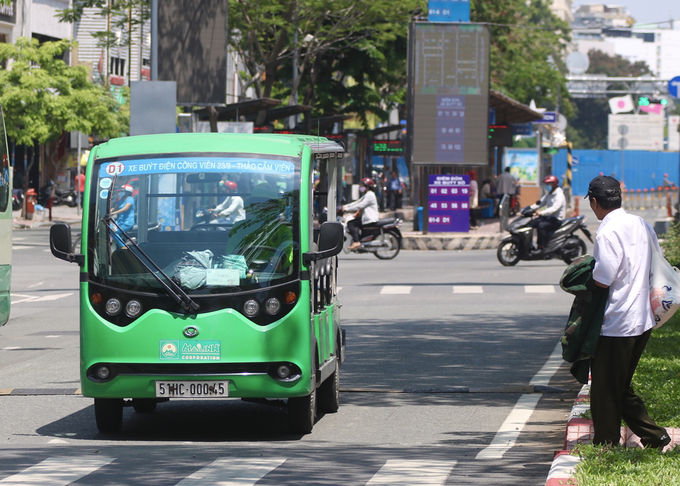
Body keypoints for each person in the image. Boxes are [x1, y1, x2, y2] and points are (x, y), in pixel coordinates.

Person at [586, 175, 671, 449]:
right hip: (643, 319)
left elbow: (604, 277)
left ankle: (606, 443)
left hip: (617, 322)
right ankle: (655, 436)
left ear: (595, 202)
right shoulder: (641, 224)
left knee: (604, 388)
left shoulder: (608, 231)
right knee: (618, 385)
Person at [529, 175, 566, 250]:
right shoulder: (549, 194)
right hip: (549, 217)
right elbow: (540, 203)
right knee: (532, 222)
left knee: (541, 226)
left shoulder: (559, 195)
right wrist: (529, 209)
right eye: (546, 185)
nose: (547, 186)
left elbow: (554, 208)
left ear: (554, 184)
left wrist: (541, 213)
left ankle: (541, 246)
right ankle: (529, 245)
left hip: (556, 219)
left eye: (549, 185)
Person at [343, 177, 379, 250]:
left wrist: (347, 210)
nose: (361, 187)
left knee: (351, 223)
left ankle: (356, 241)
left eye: (362, 185)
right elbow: (357, 202)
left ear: (367, 187)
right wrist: (346, 206)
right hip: (366, 217)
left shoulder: (370, 195)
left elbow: (360, 205)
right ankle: (358, 239)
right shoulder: (367, 194)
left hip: (369, 218)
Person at [110, 184, 135, 248]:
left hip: (127, 222)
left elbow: (125, 208)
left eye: (122, 191)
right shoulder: (121, 199)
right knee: (109, 226)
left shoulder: (130, 199)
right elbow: (115, 208)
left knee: (114, 231)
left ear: (127, 192)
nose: (121, 192)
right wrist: (109, 211)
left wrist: (114, 213)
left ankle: (123, 246)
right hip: (119, 222)